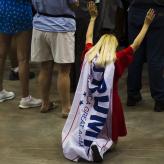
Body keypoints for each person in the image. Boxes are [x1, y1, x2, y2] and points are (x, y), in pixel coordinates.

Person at [62, 1, 155, 162]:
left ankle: (91, 142)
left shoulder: (89, 56)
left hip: (89, 100)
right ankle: (99, 146)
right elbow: (135, 45)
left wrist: (92, 18)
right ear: (114, 46)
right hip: (111, 103)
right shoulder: (116, 59)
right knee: (113, 140)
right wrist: (146, 25)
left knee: (87, 123)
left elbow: (88, 37)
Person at [31, 0, 79, 114]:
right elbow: (74, 3)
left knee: (44, 68)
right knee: (64, 71)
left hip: (40, 25)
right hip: (62, 27)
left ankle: (45, 103)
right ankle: (66, 108)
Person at [0, 0, 42, 108]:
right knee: (23, 58)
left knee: (1, 54)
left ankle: (0, 92)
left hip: (3, 8)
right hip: (21, 11)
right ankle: (25, 98)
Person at [127, 0, 164, 112]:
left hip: (135, 10)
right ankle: (160, 100)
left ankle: (132, 95)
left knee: (134, 55)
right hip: (157, 10)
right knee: (155, 58)